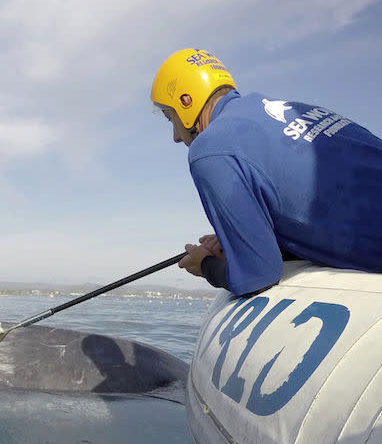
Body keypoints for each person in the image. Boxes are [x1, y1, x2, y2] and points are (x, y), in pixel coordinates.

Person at [150, 48, 382, 296]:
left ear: (186, 101)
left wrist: (205, 265)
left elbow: (258, 276)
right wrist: (240, 238)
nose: (175, 137)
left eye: (169, 118)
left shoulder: (209, 149)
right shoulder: (295, 109)